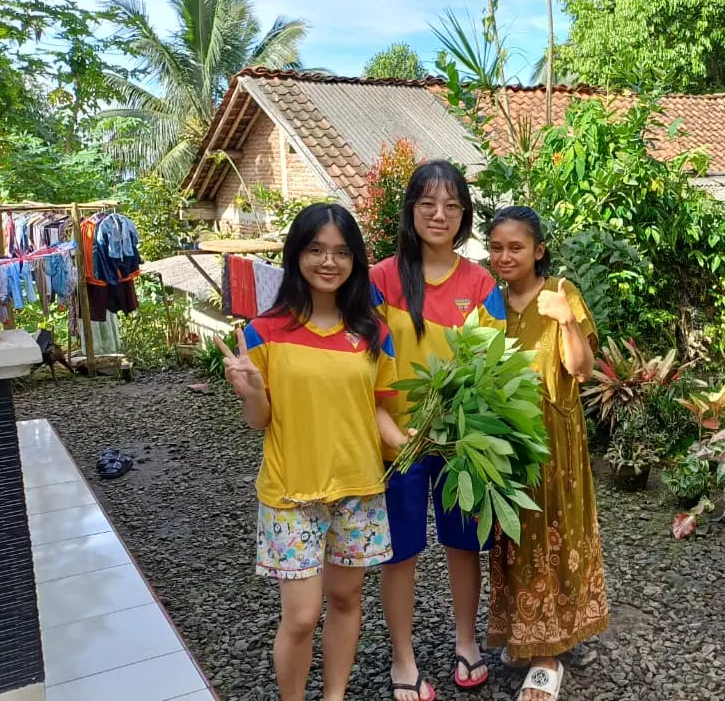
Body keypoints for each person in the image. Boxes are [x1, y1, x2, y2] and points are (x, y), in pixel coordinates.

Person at [216, 203, 414, 701]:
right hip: (291, 491)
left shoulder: (373, 333)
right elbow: (259, 420)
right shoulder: (264, 331)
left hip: (358, 488)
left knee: (346, 598)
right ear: (296, 255)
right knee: (301, 616)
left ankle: (335, 696)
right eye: (316, 250)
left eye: (342, 252)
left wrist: (409, 443)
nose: (329, 262)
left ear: (356, 261)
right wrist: (252, 391)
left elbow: (376, 408)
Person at [371, 159, 507, 701]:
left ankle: (466, 641)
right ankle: (402, 658)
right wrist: (387, 428)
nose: (439, 214)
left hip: (460, 441)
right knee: (400, 550)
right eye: (427, 203)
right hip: (396, 440)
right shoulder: (381, 279)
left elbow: (493, 369)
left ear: (464, 215)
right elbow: (363, 363)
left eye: (452, 205)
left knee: (463, 543)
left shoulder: (480, 283)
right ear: (410, 210)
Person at [485, 206, 610, 701]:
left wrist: (566, 322)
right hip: (505, 443)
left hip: (554, 443)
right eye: (496, 247)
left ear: (538, 250)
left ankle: (548, 655)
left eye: (516, 247)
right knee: (512, 538)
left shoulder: (561, 292)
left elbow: (581, 370)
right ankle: (525, 633)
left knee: (552, 535)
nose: (504, 256)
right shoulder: (490, 302)